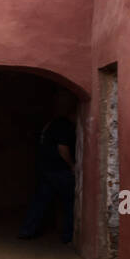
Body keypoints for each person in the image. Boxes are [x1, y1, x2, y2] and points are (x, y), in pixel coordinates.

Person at [18, 90, 77, 243]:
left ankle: (27, 231)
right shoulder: (64, 125)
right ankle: (68, 237)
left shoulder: (51, 123)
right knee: (69, 203)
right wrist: (72, 166)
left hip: (45, 168)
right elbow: (62, 148)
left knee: (40, 201)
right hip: (59, 170)